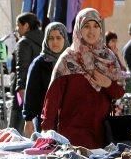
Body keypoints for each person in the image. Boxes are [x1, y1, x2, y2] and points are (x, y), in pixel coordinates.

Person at [41, 8, 125, 149]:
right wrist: (46, 132)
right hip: (72, 138)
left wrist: (108, 83)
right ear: (78, 28)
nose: (91, 31)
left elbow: (119, 92)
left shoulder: (109, 58)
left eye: (95, 26)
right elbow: (52, 100)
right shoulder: (67, 60)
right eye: (86, 26)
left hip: (104, 136)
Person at [22, 22, 69, 137]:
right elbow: (31, 92)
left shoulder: (72, 61)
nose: (55, 42)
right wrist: (28, 119)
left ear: (65, 39)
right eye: (51, 38)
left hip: (69, 118)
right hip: (45, 119)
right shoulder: (40, 63)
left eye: (58, 38)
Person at [9, 13, 44, 133]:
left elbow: (21, 68)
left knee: (15, 130)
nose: (17, 29)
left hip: (24, 90)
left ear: (26, 26)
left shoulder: (24, 43)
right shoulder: (44, 39)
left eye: (18, 26)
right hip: (41, 89)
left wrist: (20, 88)